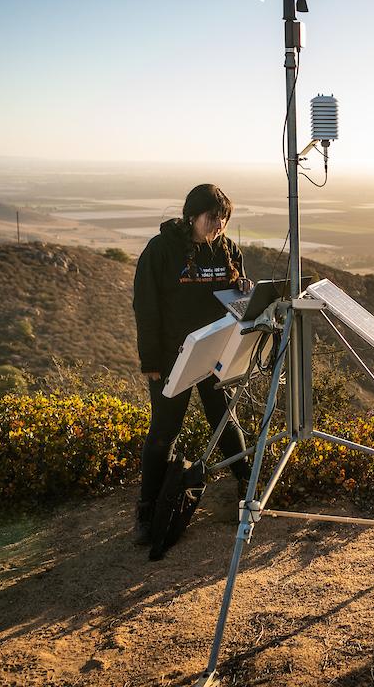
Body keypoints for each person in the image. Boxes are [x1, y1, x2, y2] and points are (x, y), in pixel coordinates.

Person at [131, 184, 254, 545]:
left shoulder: (228, 249)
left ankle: (248, 486)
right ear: (191, 215)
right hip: (172, 357)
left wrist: (243, 290)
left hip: (214, 352)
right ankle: (147, 508)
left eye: (224, 218)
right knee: (165, 431)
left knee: (224, 420)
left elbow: (232, 297)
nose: (219, 224)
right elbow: (146, 306)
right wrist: (150, 359)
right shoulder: (162, 249)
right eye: (212, 217)